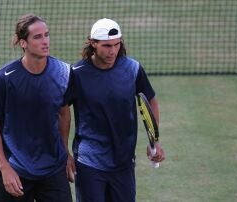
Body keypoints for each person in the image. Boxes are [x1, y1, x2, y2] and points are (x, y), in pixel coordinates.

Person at [0, 14, 73, 202]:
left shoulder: (63, 73)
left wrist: (65, 152)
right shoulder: (4, 78)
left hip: (53, 169)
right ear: (23, 43)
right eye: (37, 37)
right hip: (16, 169)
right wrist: (4, 167)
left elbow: (64, 113)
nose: (45, 41)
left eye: (46, 35)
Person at [69, 18, 165, 202]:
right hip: (89, 161)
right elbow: (61, 112)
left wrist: (154, 141)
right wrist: (64, 152)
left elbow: (150, 100)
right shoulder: (76, 73)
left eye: (116, 44)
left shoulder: (133, 69)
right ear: (93, 43)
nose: (113, 51)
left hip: (124, 161)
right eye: (106, 46)